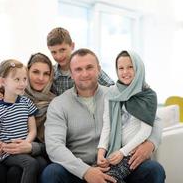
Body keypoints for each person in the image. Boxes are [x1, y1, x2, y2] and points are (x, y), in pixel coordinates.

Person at [41, 48, 165, 183]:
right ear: (71, 73)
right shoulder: (58, 104)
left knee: (153, 169)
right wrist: (86, 171)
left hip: (116, 165)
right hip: (77, 170)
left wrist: (151, 143)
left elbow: (155, 120)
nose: (85, 74)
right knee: (51, 173)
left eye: (89, 67)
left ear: (99, 69)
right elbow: (54, 146)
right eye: (78, 69)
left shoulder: (117, 94)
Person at [0, 53, 56, 183]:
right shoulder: (12, 96)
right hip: (9, 151)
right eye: (35, 72)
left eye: (46, 73)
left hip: (41, 150)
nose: (41, 78)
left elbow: (56, 142)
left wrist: (29, 145)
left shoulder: (56, 101)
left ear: (51, 76)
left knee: (19, 171)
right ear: (28, 72)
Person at [97, 50, 158, 183]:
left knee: (110, 179)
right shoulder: (112, 93)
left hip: (132, 153)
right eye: (121, 68)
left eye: (130, 67)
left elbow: (145, 131)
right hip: (114, 152)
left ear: (138, 68)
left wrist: (122, 153)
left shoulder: (148, 96)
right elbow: (107, 126)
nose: (125, 72)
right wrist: (101, 152)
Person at [46, 27, 114, 95]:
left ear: (72, 46)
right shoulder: (51, 73)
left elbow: (112, 88)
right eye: (54, 52)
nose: (59, 56)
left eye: (62, 50)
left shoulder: (87, 66)